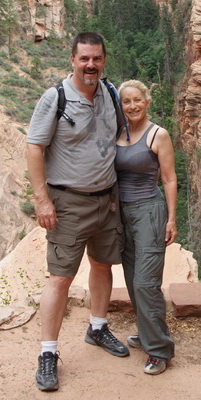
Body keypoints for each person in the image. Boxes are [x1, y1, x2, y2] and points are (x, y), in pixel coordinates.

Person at [26, 32, 129, 392]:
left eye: (96, 59)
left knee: (103, 265)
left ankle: (97, 327)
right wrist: (43, 201)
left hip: (107, 198)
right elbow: (34, 148)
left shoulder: (111, 93)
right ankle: (48, 353)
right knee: (60, 277)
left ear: (104, 60)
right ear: (72, 59)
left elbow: (122, 136)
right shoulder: (55, 98)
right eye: (84, 58)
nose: (90, 65)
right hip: (68, 202)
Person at [115, 79, 178, 375]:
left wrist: (172, 218)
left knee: (145, 283)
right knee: (131, 279)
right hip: (122, 214)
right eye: (126, 101)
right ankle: (146, 332)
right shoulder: (118, 131)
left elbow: (169, 178)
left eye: (137, 100)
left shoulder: (158, 134)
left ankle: (159, 350)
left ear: (147, 101)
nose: (132, 106)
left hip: (150, 213)